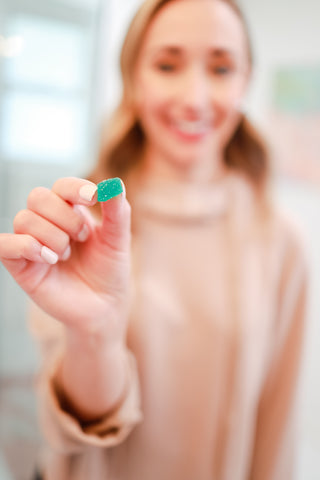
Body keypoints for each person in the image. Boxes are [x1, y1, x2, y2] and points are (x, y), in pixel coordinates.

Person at [0, 0, 308, 479]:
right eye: (167, 65)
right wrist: (95, 332)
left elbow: (277, 426)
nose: (195, 97)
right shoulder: (81, 224)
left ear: (246, 82)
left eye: (221, 68)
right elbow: (69, 424)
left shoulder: (281, 241)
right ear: (134, 80)